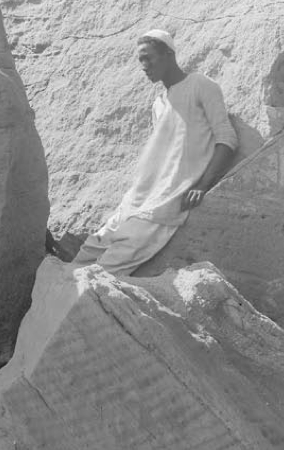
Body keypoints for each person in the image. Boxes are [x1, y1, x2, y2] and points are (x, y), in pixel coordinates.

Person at [73, 29, 237, 275]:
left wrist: (202, 185)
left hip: (168, 200)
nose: (144, 65)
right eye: (140, 60)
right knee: (88, 250)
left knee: (108, 268)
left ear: (169, 55)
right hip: (139, 198)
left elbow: (227, 139)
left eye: (148, 57)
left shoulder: (200, 84)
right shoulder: (158, 104)